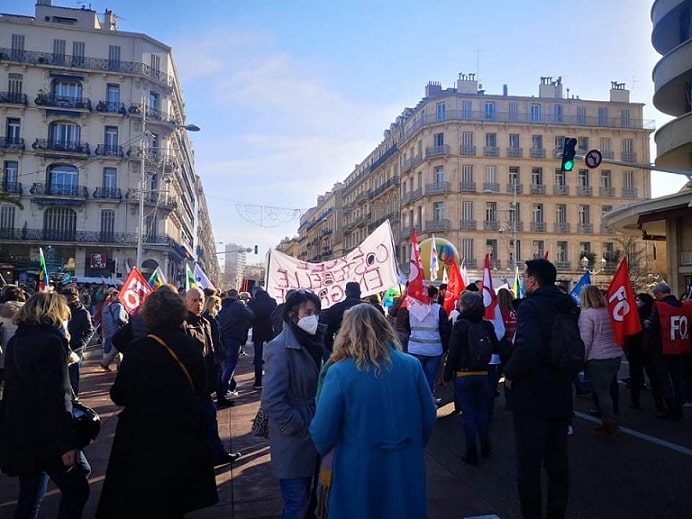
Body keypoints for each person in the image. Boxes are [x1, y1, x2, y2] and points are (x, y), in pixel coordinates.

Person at [96, 285, 218, 518]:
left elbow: (118, 394)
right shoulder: (191, 345)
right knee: (176, 499)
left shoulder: (140, 349)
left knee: (145, 500)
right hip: (184, 431)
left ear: (149, 314)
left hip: (144, 436)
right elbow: (202, 386)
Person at [309, 303, 436, 518]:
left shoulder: (339, 372)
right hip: (406, 464)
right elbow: (428, 417)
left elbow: (322, 431)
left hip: (357, 468)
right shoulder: (412, 366)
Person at [0, 292, 91, 518]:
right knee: (78, 487)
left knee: (30, 497)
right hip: (47, 433)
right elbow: (56, 396)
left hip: (22, 430)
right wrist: (66, 443)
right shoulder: (51, 343)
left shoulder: (15, 342)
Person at [503, 259, 575, 519]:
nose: (524, 279)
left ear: (533, 280)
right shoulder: (568, 305)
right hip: (561, 392)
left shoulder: (531, 307)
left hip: (532, 396)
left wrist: (509, 373)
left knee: (529, 465)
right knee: (558, 465)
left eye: (526, 275)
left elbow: (527, 346)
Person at [262, 289, 325, 518]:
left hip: (313, 431)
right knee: (296, 503)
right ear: (292, 314)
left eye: (316, 312)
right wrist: (296, 424)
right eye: (308, 312)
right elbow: (271, 400)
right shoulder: (280, 347)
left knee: (311, 502)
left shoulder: (314, 342)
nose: (313, 318)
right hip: (294, 438)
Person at [183, 287, 241, 464]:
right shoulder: (184, 324)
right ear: (186, 301)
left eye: (200, 300)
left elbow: (211, 349)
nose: (198, 304)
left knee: (210, 418)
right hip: (192, 385)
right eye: (194, 300)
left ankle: (217, 454)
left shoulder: (205, 322)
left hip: (206, 382)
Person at [444, 291, 499, 465]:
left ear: (464, 305)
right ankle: (485, 444)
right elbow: (496, 347)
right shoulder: (486, 325)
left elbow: (452, 352)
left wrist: (446, 374)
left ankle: (471, 451)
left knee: (468, 414)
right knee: (482, 411)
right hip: (483, 373)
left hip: (463, 374)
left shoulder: (460, 325)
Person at [578, 285, 624, 438]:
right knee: (610, 389)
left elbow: (586, 340)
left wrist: (580, 360)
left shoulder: (587, 314)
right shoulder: (609, 311)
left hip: (598, 358)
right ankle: (611, 418)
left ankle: (608, 425)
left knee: (602, 393)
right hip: (615, 355)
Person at [646, 282, 692, 421]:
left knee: (664, 381)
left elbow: (652, 330)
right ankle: (679, 407)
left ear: (660, 293)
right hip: (681, 347)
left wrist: (646, 324)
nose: (655, 297)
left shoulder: (660, 307)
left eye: (656, 294)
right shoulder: (685, 306)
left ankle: (671, 408)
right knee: (678, 380)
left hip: (663, 349)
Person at [407, 285, 451, 398]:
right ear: (435, 295)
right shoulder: (439, 309)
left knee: (415, 379)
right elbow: (445, 331)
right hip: (434, 350)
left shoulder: (412, 309)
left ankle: (416, 402)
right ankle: (429, 401)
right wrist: (444, 349)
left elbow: (406, 327)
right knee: (430, 379)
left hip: (415, 349)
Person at [624, 293, 663, 411]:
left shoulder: (639, 315)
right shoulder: (652, 313)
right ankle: (659, 405)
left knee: (638, 376)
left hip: (639, 350)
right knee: (652, 377)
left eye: (638, 300)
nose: (636, 302)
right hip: (647, 350)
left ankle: (635, 402)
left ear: (644, 302)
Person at [218, 289, 255, 398]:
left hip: (223, 336)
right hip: (235, 336)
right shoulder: (238, 306)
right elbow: (252, 316)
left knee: (225, 363)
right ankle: (224, 388)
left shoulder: (221, 305)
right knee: (231, 363)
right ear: (237, 296)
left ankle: (228, 386)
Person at [60, 287, 95, 397]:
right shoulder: (59, 311)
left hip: (75, 349)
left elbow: (89, 331)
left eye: (68, 297)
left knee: (72, 375)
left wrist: (80, 343)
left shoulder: (83, 313)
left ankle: (74, 398)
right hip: (60, 346)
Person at [247, 288, 278, 389]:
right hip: (269, 329)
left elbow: (250, 315)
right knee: (273, 355)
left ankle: (258, 381)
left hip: (257, 330)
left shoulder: (252, 302)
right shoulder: (272, 301)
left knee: (258, 357)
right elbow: (274, 315)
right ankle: (272, 379)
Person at [323, 282, 363, 358]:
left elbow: (327, 335)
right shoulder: (372, 309)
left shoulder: (335, 309)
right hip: (367, 350)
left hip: (343, 351)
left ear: (345, 293)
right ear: (360, 292)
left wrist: (336, 350)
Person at [99, 289, 129, 371]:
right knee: (117, 348)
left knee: (116, 348)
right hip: (117, 330)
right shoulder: (118, 306)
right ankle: (105, 363)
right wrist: (126, 321)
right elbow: (118, 318)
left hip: (109, 330)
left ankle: (118, 365)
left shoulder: (107, 306)